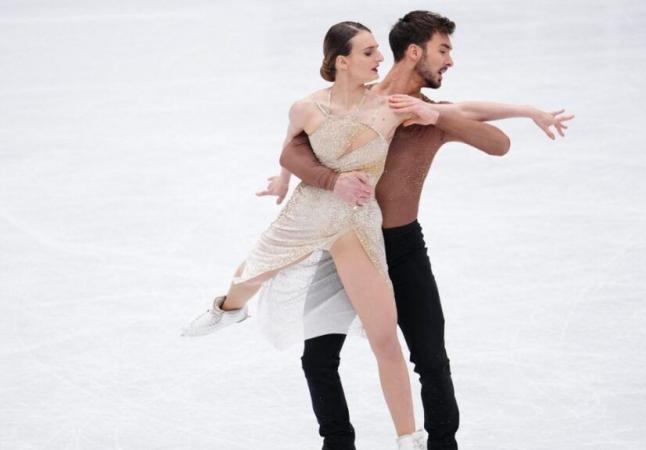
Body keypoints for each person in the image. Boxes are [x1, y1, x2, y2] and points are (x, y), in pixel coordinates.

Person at [260, 11, 573, 450]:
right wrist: (297, 178)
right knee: (318, 358)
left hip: (402, 247)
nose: (450, 61)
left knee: (430, 358)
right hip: (344, 245)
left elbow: (497, 144)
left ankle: (442, 444)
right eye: (443, 49)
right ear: (414, 51)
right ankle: (337, 442)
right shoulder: (359, 105)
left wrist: (444, 115)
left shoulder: (435, 116)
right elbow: (296, 145)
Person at [182, 20, 454, 448]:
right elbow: (293, 145)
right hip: (310, 210)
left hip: (356, 223)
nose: (379, 58)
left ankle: (409, 438)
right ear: (342, 61)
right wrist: (282, 180)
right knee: (252, 272)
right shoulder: (306, 106)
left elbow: (467, 111)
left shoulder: (387, 104)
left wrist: (527, 112)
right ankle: (227, 309)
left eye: (378, 51)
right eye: (369, 52)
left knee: (384, 336)